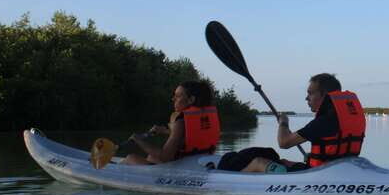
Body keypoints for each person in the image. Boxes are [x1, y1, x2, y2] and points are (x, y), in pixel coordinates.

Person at [219, 73, 365, 173]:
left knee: (258, 161)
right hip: (335, 170)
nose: (306, 98)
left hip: (317, 176)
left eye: (311, 93)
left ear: (324, 95)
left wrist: (283, 122)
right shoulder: (350, 117)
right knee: (279, 160)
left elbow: (284, 143)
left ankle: (233, 181)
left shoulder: (323, 122)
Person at [124, 80, 220, 165]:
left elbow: (165, 157)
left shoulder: (181, 121)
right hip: (199, 162)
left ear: (191, 100)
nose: (173, 99)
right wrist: (165, 131)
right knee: (151, 157)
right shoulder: (206, 116)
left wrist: (138, 140)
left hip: (182, 167)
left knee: (130, 158)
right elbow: (192, 136)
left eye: (178, 96)